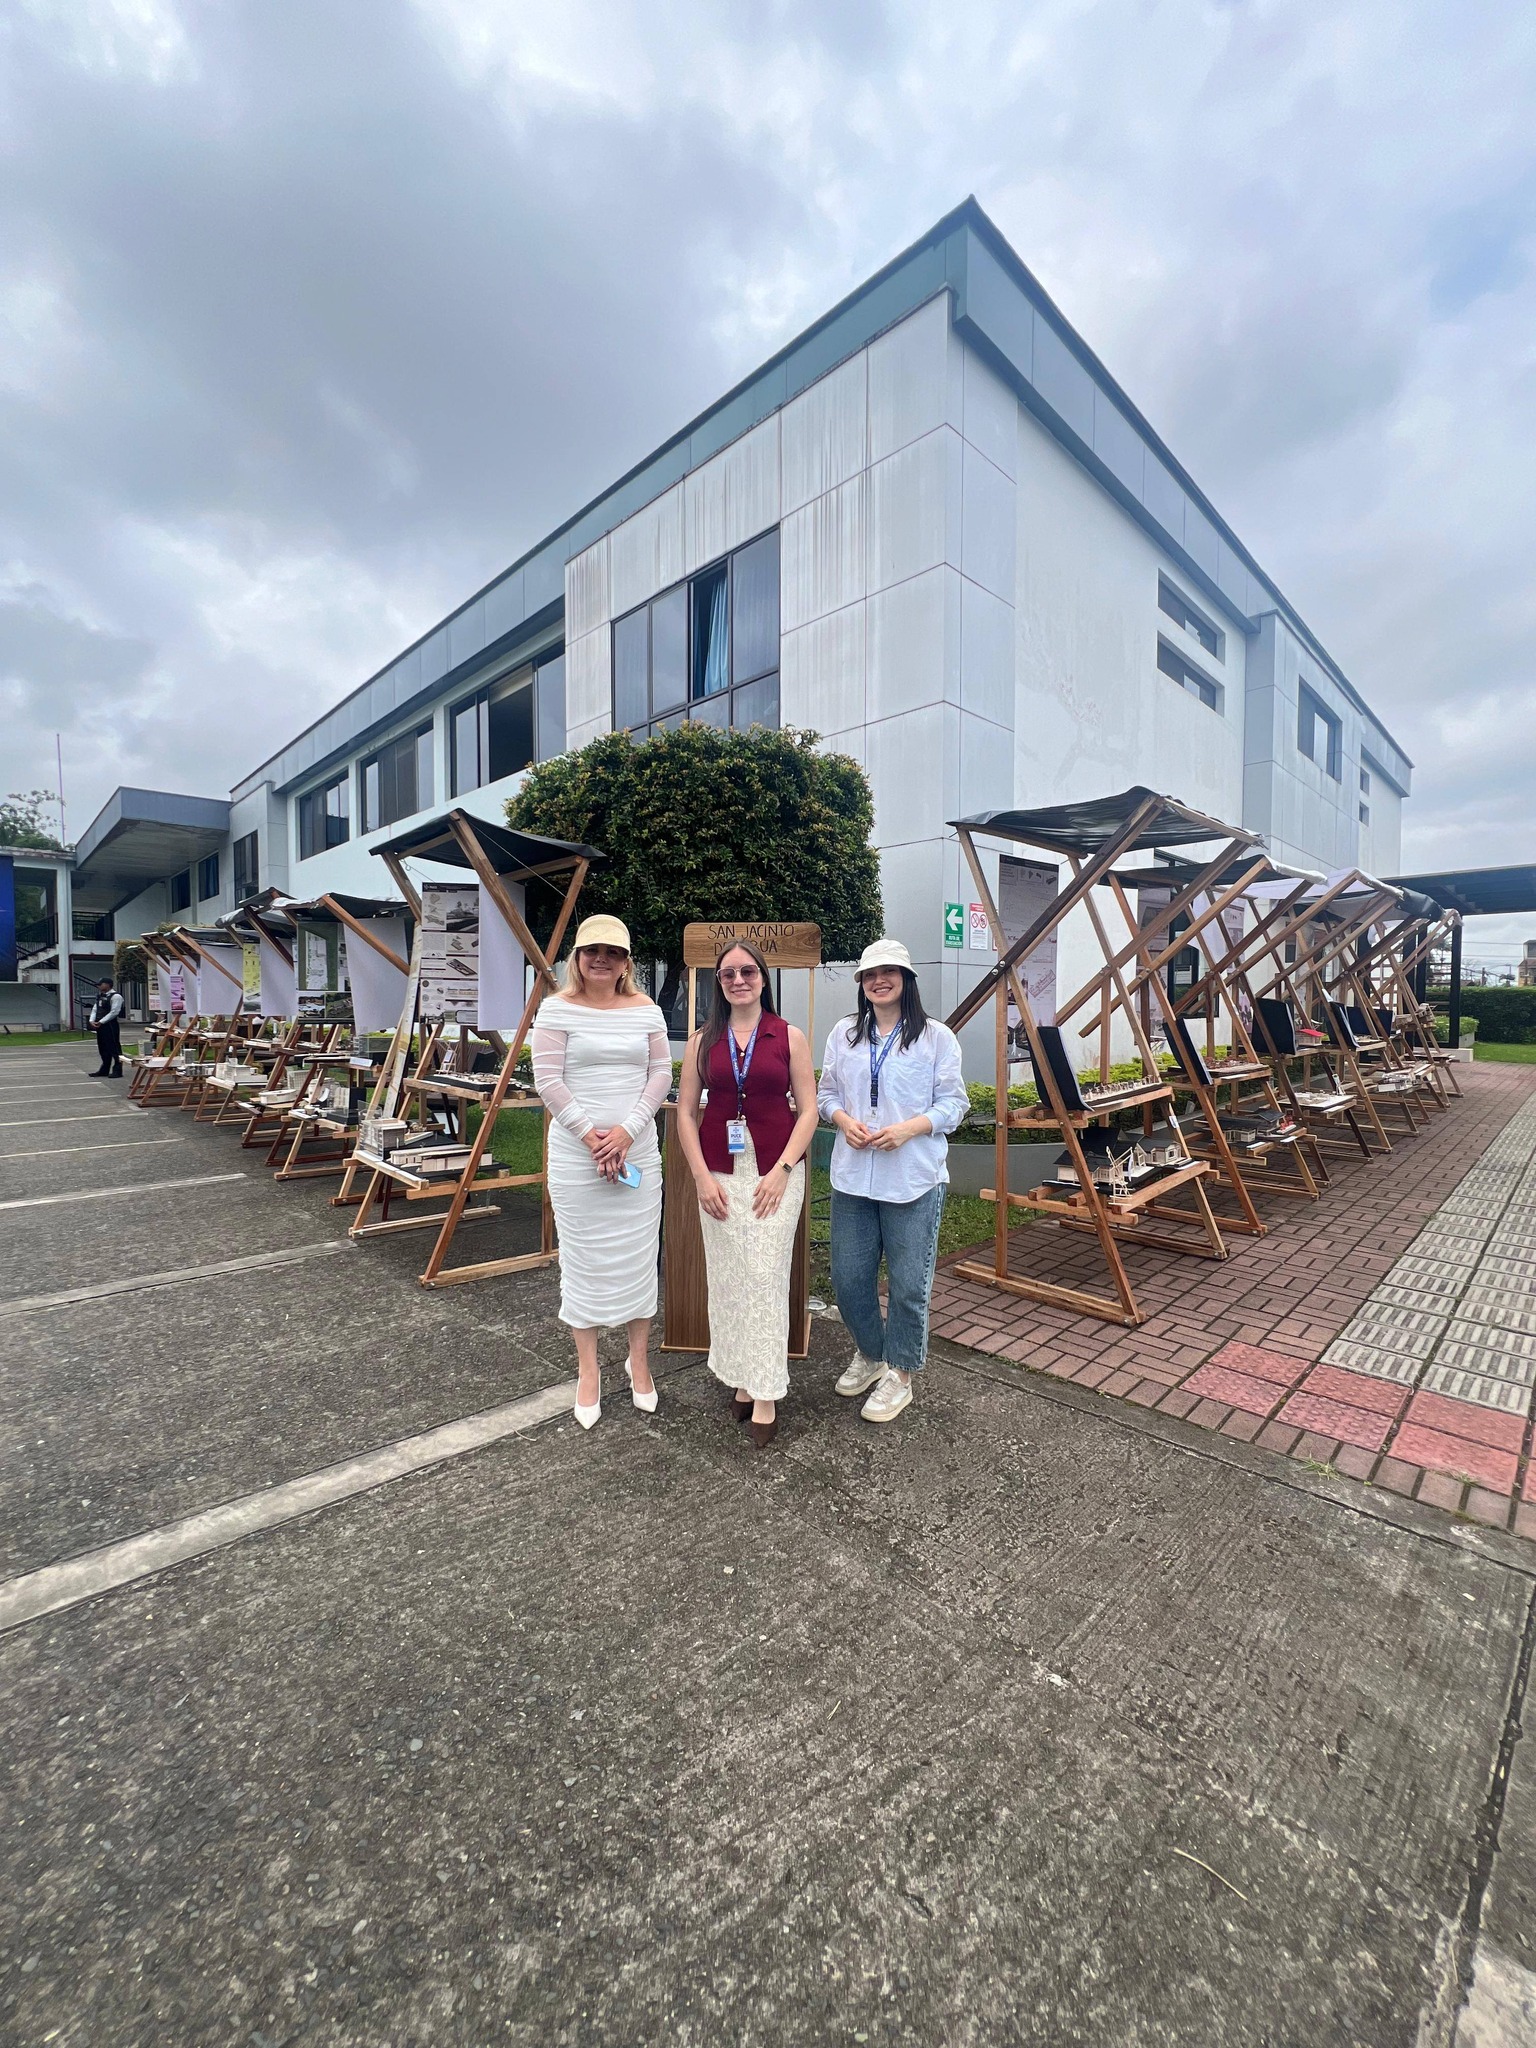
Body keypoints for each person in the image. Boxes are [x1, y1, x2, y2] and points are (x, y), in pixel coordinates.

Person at [817, 939, 968, 1423]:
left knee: (907, 1285)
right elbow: (825, 1093)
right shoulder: (844, 1034)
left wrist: (909, 1129)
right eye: (869, 974)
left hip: (913, 1179)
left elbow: (955, 1104)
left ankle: (900, 1373)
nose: (878, 981)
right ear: (861, 983)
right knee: (849, 1280)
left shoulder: (936, 1038)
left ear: (906, 979)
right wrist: (842, 1120)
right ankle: (871, 1352)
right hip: (853, 1178)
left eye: (889, 972)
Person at [675, 941, 819, 1448]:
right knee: (731, 1279)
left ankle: (766, 1392)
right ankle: (740, 1375)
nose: (739, 980)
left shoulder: (788, 1035)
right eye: (728, 973)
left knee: (765, 1278)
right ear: (719, 982)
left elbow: (809, 1111)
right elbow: (685, 1112)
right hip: (719, 1173)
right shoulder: (701, 1041)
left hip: (775, 1172)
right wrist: (700, 1177)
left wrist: (783, 1170)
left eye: (748, 971)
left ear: (763, 977)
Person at [530, 916, 671, 1430]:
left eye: (613, 952)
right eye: (593, 950)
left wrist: (626, 1133)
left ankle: (639, 1361)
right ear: (578, 957)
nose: (602, 959)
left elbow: (661, 1073)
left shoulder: (647, 1009)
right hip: (577, 1159)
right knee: (583, 1262)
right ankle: (587, 1371)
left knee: (639, 1260)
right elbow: (547, 1079)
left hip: (637, 1154)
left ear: (626, 962)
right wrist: (593, 1137)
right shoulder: (556, 1007)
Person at [88, 978, 125, 1077]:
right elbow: (95, 1009)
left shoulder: (116, 996)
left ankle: (118, 1070)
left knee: (114, 1047)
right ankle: (104, 1069)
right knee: (103, 1047)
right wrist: (92, 1020)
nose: (99, 986)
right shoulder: (100, 996)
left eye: (101, 984)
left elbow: (114, 1012)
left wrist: (101, 1021)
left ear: (108, 985)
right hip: (100, 1025)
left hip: (110, 1025)